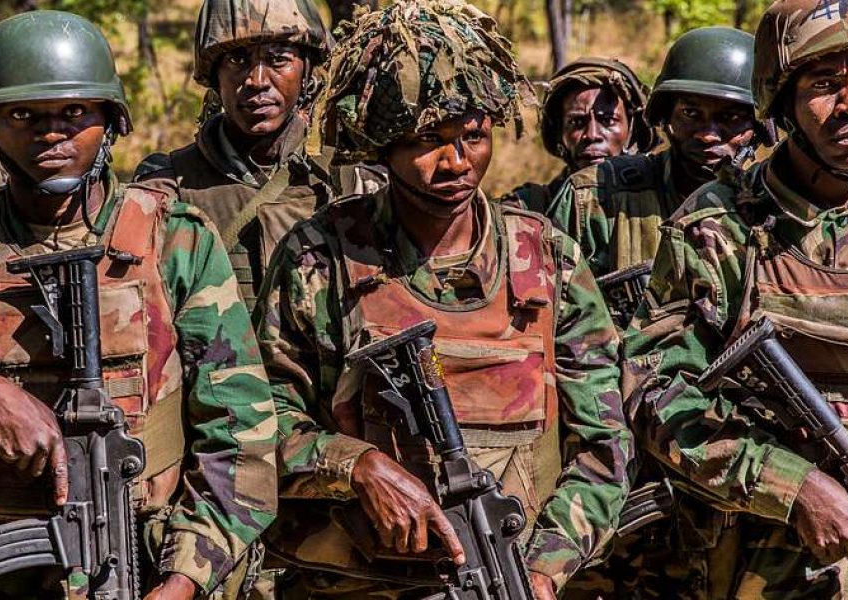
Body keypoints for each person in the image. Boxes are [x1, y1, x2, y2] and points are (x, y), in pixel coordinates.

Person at [0, 11, 277, 599]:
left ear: (110, 121)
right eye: (23, 115)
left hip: (145, 560)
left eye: (75, 112)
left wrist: (185, 576)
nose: (52, 133)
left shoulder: (175, 239)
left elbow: (242, 432)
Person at [253, 1, 633, 598]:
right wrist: (355, 466)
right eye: (429, 139)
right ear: (382, 143)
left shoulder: (546, 259)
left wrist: (542, 570)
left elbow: (604, 446)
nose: (456, 163)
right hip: (352, 584)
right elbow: (257, 419)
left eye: (473, 137)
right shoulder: (320, 257)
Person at [625, 0, 848, 596]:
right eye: (825, 86)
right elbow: (655, 392)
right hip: (775, 561)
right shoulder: (720, 226)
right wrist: (793, 486)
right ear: (780, 100)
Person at [135, 0, 381, 310]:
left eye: (278, 59)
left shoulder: (354, 180)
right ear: (214, 76)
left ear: (306, 71)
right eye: (237, 60)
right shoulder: (166, 190)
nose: (257, 81)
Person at [546, 28, 769, 317]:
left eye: (730, 117)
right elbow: (547, 313)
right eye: (691, 114)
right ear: (665, 116)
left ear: (758, 127)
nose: (708, 135)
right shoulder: (594, 198)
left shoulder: (777, 207)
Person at [502, 57, 655, 214]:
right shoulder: (533, 208)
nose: (592, 135)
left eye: (608, 120)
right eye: (576, 122)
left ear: (632, 128)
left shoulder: (661, 200)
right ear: (559, 133)